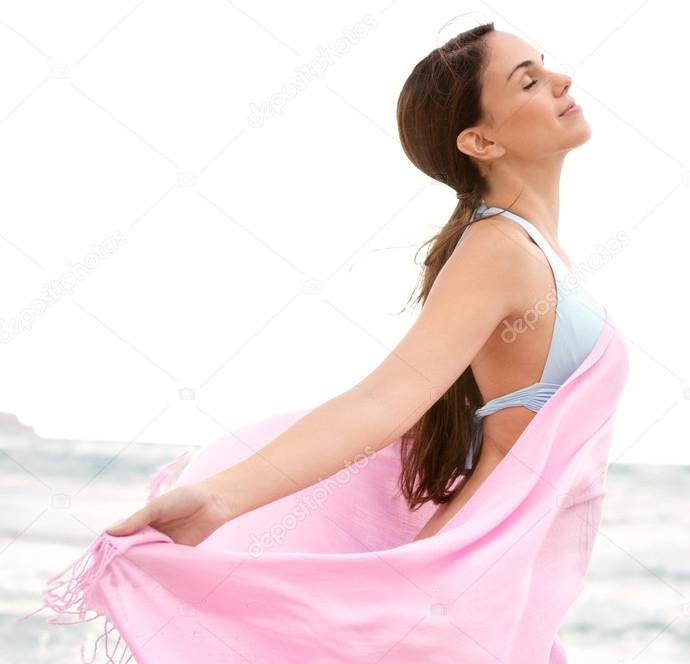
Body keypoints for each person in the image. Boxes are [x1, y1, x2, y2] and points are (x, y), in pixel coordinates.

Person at [105, 23, 597, 550]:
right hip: (476, 563)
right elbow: (383, 399)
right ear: (481, 140)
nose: (561, 80)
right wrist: (220, 499)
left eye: (546, 67)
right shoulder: (499, 249)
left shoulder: (533, 250)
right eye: (529, 81)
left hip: (512, 564)